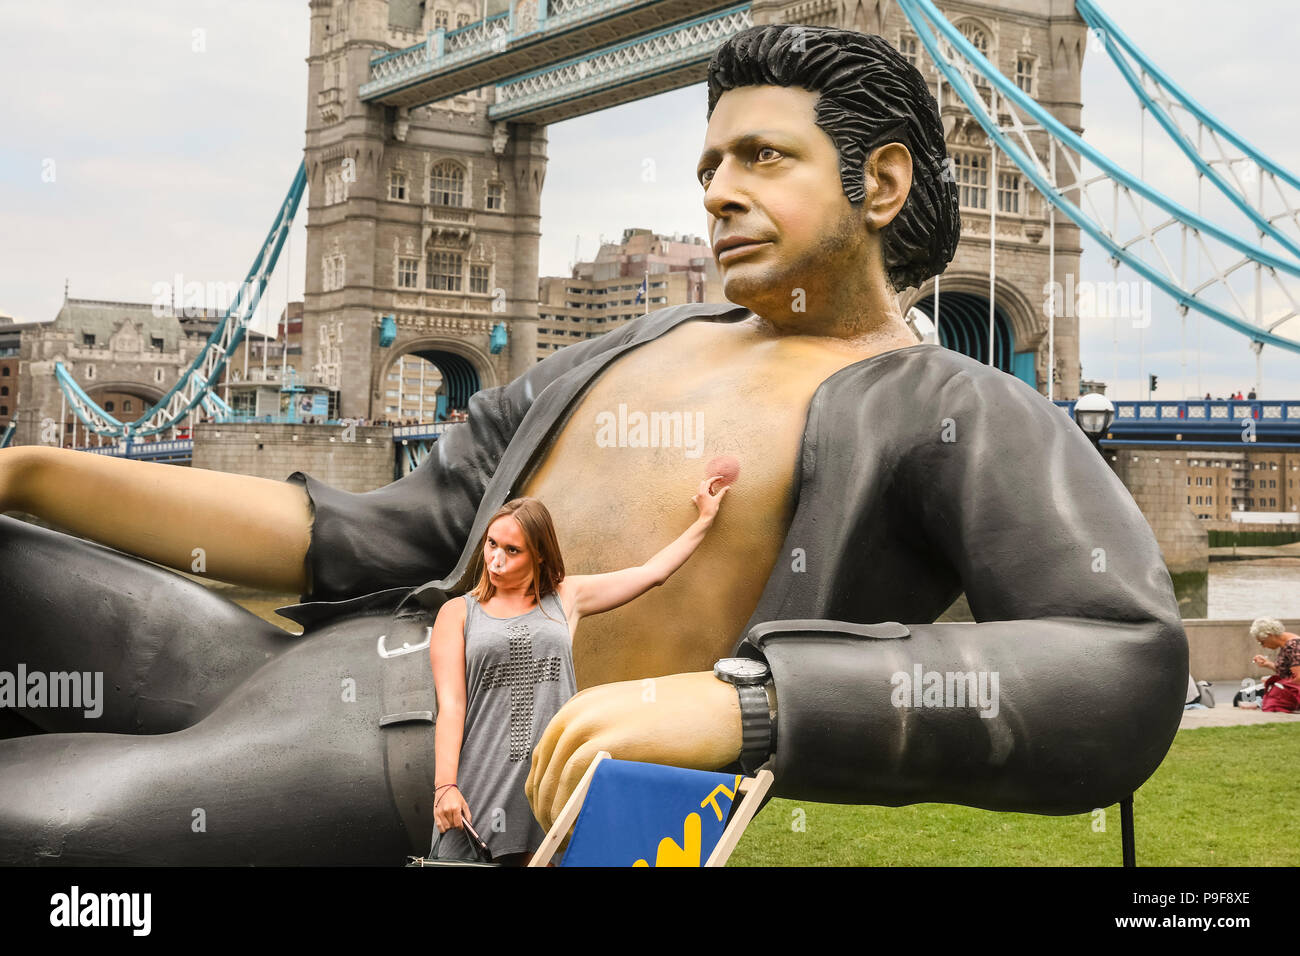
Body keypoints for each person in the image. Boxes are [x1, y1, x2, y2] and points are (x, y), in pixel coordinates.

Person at [0, 24, 1186, 864]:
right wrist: (31, 474)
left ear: (879, 181)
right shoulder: (619, 353)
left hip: (446, 747)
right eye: (709, 164)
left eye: (761, 158)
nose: (717, 192)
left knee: (48, 829)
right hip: (298, 663)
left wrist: (749, 710)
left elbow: (1120, 663)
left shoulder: (952, 406)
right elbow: (361, 536)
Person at [431, 483, 727, 865]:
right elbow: (452, 707)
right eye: (491, 544)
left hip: (552, 779)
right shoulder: (457, 613)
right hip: (481, 779)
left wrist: (705, 519)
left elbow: (652, 573)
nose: (495, 560)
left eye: (512, 550)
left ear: (538, 555)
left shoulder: (566, 597)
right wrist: (445, 787)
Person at [1238, 617, 1300, 712]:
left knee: (1241, 697)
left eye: (1262, 642)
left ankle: (1263, 702)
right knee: (1242, 696)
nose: (1263, 646)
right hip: (1287, 688)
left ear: (1270, 635)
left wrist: (1276, 685)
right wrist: (1267, 664)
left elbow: (1298, 678)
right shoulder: (1288, 644)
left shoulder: (1293, 646)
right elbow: (1288, 671)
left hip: (1290, 692)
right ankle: (1263, 701)